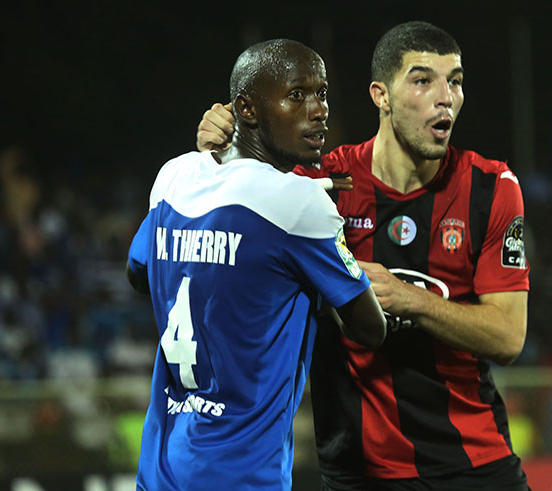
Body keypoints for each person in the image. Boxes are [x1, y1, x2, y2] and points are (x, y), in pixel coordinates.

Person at [198, 21, 530, 490]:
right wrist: (216, 153)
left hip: (473, 465)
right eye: (422, 80)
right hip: (358, 472)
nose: (445, 97)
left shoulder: (492, 188)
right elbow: (221, 217)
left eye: (454, 81)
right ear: (381, 95)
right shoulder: (317, 187)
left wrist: (408, 297)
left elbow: (508, 337)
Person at [127, 39, 386, 490]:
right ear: (245, 109)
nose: (318, 109)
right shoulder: (300, 204)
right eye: (297, 94)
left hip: (161, 469)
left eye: (322, 93)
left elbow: (138, 272)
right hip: (241, 474)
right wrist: (325, 245)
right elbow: (370, 328)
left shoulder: (174, 175)